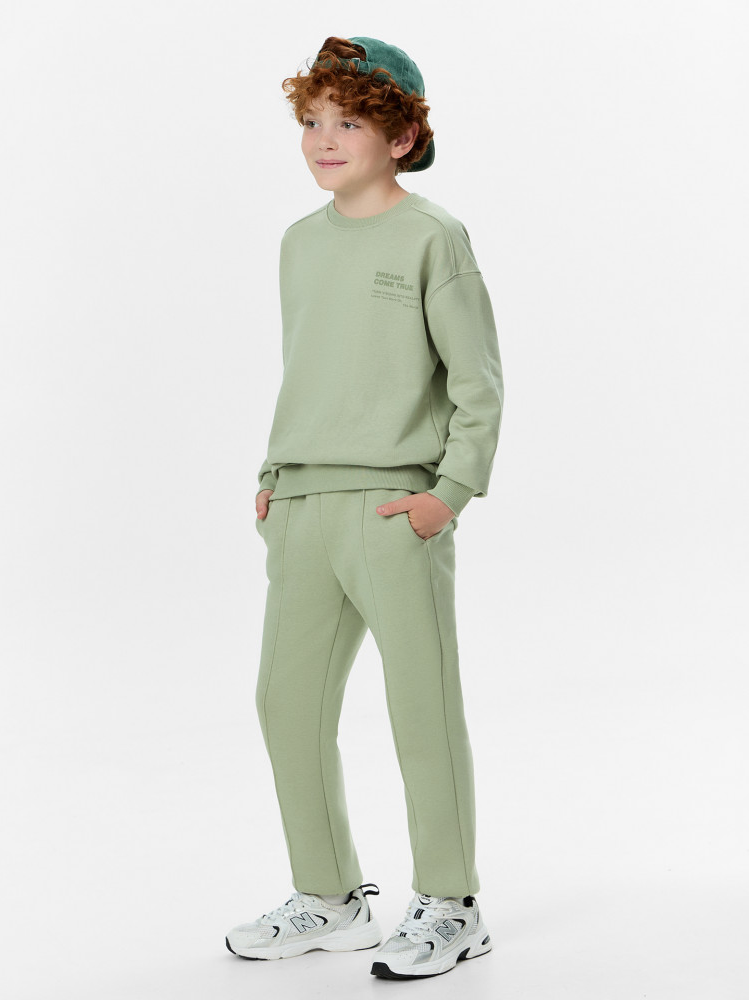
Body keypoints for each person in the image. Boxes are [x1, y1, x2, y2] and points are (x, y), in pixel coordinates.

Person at [225, 35, 504, 980]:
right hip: (301, 504)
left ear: (403, 135)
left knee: (420, 706)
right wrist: (274, 478)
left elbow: (478, 385)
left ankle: (452, 904)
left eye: (349, 120)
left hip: (394, 508)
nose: (324, 138)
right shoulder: (299, 243)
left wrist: (446, 496)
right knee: (285, 703)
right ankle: (329, 897)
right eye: (312, 120)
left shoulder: (433, 237)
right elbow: (311, 366)